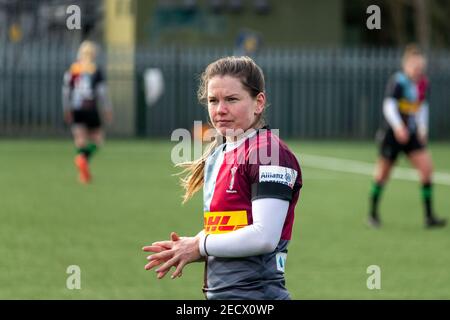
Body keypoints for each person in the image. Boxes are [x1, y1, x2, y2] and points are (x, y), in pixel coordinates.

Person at [142, 56, 303, 300]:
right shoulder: (219, 154)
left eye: (231, 99)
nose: (220, 110)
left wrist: (200, 245)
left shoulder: (268, 153)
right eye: (213, 100)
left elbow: (264, 237)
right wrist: (190, 246)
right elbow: (228, 228)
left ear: (259, 102)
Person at [368, 44, 446, 229]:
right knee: (382, 175)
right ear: (406, 65)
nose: (419, 71)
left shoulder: (422, 83)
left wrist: (422, 128)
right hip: (392, 134)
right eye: (415, 67)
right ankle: (372, 214)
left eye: (421, 67)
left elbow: (421, 106)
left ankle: (429, 217)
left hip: (411, 134)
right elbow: (389, 106)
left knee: (427, 169)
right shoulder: (398, 81)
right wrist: (398, 127)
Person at [62, 40, 113, 184]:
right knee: (98, 140)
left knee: (80, 140)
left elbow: (65, 92)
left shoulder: (73, 70)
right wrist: (107, 109)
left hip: (76, 109)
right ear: (93, 54)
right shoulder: (95, 70)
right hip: (90, 108)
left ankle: (83, 171)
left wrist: (66, 109)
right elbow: (102, 93)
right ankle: (84, 160)